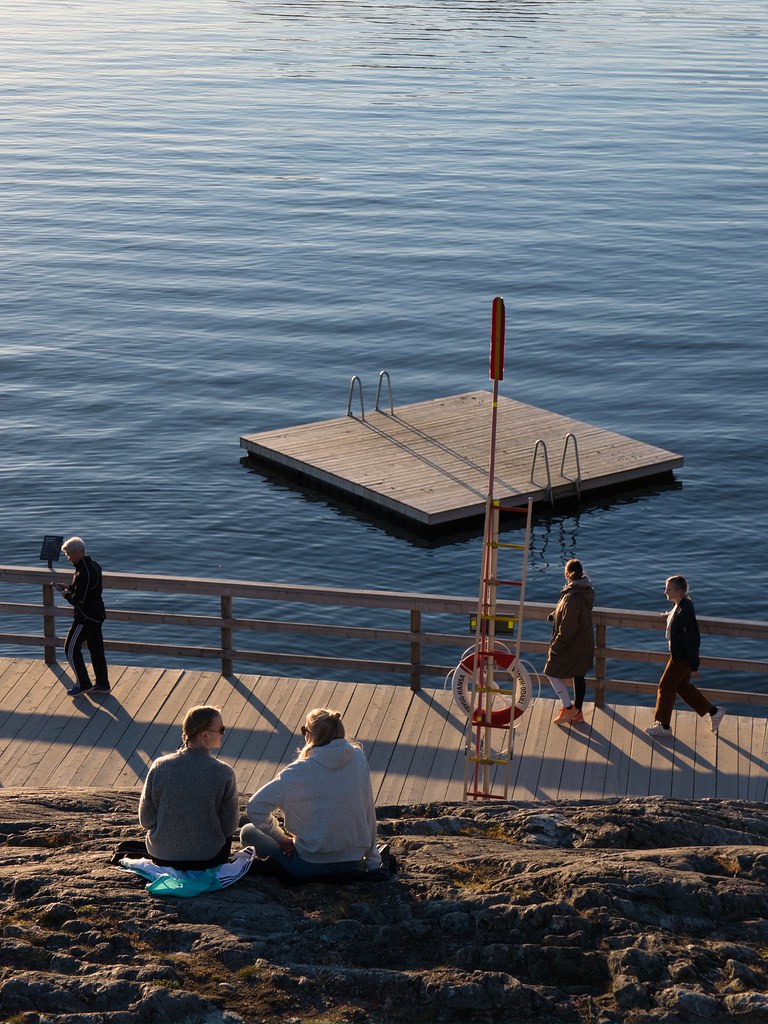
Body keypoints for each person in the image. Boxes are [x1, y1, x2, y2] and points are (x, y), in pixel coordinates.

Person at [241, 707, 382, 880]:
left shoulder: (297, 771)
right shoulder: (358, 758)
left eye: (304, 730)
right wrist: (373, 862)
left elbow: (255, 807)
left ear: (311, 735)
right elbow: (368, 810)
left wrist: (281, 839)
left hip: (309, 865)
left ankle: (281, 865)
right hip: (352, 862)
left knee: (248, 831)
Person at [138, 705, 239, 869]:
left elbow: (146, 820)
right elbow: (229, 826)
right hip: (209, 858)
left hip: (162, 857)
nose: (223, 733)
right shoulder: (224, 772)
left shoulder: (159, 766)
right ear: (205, 735)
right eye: (221, 728)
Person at [646, 576, 725, 739]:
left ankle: (664, 725)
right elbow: (678, 616)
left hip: (681, 658)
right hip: (681, 656)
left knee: (665, 686)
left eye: (669, 589)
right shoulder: (682, 605)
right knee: (681, 687)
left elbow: (692, 639)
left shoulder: (684, 610)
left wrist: (694, 666)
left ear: (679, 591)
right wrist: (669, 616)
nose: (665, 592)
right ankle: (714, 711)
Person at [54, 536, 110, 696]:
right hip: (98, 614)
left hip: (86, 617)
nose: (68, 557)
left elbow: (80, 600)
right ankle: (102, 684)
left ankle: (84, 683)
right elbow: (88, 590)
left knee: (70, 648)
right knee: (96, 649)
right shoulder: (94, 565)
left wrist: (66, 595)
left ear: (79, 552)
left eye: (70, 554)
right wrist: (70, 587)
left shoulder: (82, 571)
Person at [544, 558, 595, 725]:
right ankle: (577, 714)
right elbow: (574, 613)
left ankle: (568, 708)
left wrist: (555, 648)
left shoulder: (572, 596)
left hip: (574, 642)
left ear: (566, 574)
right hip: (585, 640)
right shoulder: (585, 590)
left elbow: (568, 627)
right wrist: (556, 614)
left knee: (550, 671)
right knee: (578, 675)